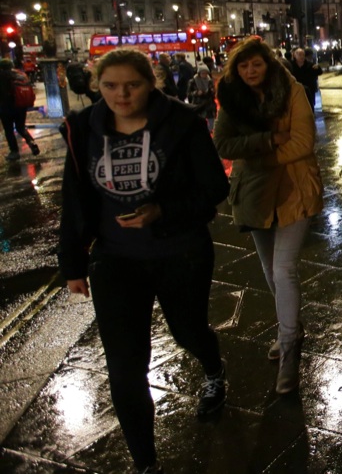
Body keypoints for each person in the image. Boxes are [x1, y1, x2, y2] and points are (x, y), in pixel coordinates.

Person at [58, 48, 230, 474]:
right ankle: (145, 462)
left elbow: (213, 188)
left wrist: (161, 212)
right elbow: (75, 198)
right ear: (96, 86)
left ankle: (213, 370)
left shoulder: (182, 123)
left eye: (131, 85)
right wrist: (73, 264)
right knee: (124, 364)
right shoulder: (82, 128)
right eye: (110, 85)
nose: (121, 94)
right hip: (116, 260)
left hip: (180, 252)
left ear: (150, 83)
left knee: (189, 330)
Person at [213, 39, 322, 395]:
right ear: (235, 69)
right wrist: (270, 139)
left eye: (255, 65)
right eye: (243, 67)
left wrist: (260, 158)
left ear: (268, 64)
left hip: (293, 189)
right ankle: (288, 326)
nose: (250, 72)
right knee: (268, 268)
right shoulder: (232, 97)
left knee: (283, 268)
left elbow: (304, 142)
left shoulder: (292, 91)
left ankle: (290, 346)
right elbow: (224, 145)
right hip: (255, 195)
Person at [0, 58, 40, 160]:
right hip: (21, 106)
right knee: (20, 127)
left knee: (9, 130)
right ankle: (32, 143)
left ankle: (14, 152)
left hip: (6, 107)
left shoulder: (2, 76)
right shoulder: (20, 75)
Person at [287, 47, 322, 112]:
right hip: (296, 91)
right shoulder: (290, 66)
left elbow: (319, 72)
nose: (302, 57)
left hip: (309, 90)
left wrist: (318, 68)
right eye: (299, 55)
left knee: (310, 107)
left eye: (303, 55)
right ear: (295, 55)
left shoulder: (310, 65)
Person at [187, 63, 217, 131]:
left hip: (209, 103)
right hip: (198, 103)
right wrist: (196, 93)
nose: (205, 75)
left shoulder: (209, 81)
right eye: (203, 73)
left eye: (206, 73)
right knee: (200, 119)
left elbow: (213, 91)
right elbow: (189, 93)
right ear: (199, 73)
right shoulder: (193, 81)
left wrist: (212, 91)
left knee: (211, 119)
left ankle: (209, 130)